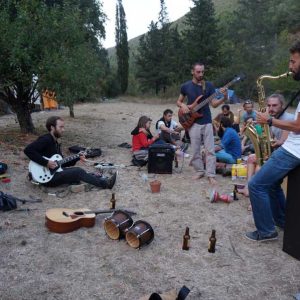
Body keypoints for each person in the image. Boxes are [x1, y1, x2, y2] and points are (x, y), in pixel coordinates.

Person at [245, 41, 300, 242]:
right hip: (294, 148)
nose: (290, 66)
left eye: (293, 61)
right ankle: (282, 221)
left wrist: (268, 120)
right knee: (274, 184)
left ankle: (266, 231)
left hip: (294, 150)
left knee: (256, 184)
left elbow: (298, 127)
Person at [24, 116, 117, 189]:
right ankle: (106, 184)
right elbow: (28, 150)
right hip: (47, 178)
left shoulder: (55, 142)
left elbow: (62, 164)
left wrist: (77, 157)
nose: (63, 130)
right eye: (60, 127)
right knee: (78, 171)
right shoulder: (46, 139)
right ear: (52, 127)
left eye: (63, 127)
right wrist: (46, 163)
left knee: (78, 170)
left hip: (54, 173)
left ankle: (101, 179)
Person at [176, 62, 228, 184]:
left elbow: (214, 104)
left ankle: (210, 174)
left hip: (207, 121)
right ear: (192, 72)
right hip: (193, 122)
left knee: (210, 149)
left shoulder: (209, 86)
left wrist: (224, 98)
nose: (201, 74)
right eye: (198, 72)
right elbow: (178, 101)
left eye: (202, 72)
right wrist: (183, 105)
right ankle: (199, 171)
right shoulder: (185, 86)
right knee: (195, 150)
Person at [238, 93, 294, 198]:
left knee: (260, 166)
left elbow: (282, 142)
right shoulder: (272, 118)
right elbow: (270, 138)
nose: (271, 108)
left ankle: (255, 198)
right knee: (251, 158)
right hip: (275, 152)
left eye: (274, 105)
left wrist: (270, 143)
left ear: (282, 105)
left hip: (285, 156)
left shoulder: (288, 118)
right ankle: (248, 187)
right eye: (269, 106)